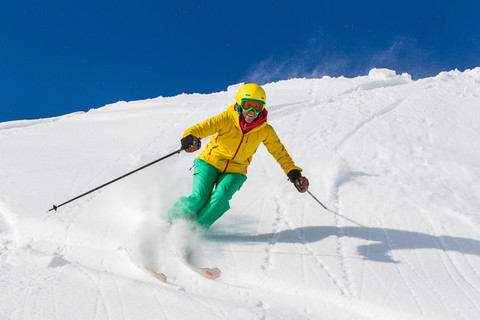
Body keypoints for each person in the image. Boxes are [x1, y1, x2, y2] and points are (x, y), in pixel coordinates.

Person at [167, 83, 309, 230]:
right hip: (210, 161)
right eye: (248, 105)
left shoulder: (265, 131)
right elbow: (201, 128)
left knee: (220, 198)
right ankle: (168, 220)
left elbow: (279, 152)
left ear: (262, 108)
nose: (252, 111)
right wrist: (190, 137)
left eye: (257, 107)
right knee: (199, 198)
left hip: (236, 170)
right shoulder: (226, 119)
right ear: (240, 104)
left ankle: (193, 231)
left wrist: (294, 173)